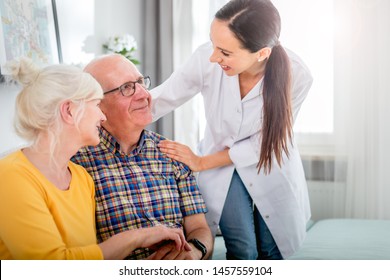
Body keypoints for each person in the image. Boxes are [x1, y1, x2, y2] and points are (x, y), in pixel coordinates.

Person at [151, 0, 313, 260]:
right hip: (221, 167)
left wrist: (201, 162)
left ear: (261, 53)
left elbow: (263, 143)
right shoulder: (207, 58)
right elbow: (164, 97)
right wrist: (114, 111)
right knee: (242, 250)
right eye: (213, 45)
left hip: (268, 162)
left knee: (272, 250)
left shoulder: (298, 75)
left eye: (225, 52)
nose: (214, 57)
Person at [0, 58, 190, 260]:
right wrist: (138, 237)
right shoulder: (10, 176)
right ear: (69, 111)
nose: (102, 116)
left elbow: (88, 260)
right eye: (96, 104)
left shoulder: (81, 178)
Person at [71, 54, 213, 260]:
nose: (144, 94)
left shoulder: (172, 153)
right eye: (126, 88)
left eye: (140, 82)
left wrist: (195, 251)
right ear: (97, 104)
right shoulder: (76, 162)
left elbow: (199, 228)